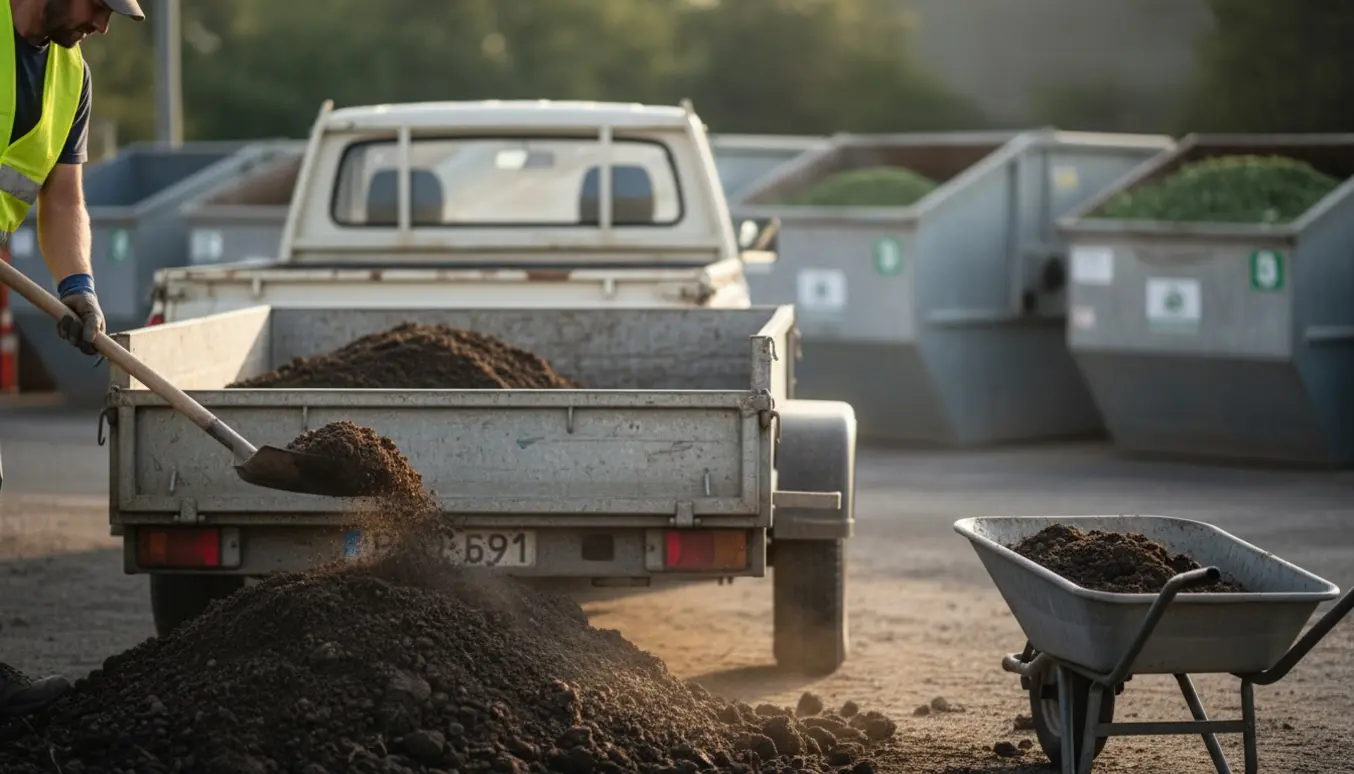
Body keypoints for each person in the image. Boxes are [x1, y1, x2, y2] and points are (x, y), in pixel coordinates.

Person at [0, 0, 144, 718]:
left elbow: (63, 200)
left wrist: (79, 287)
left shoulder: (71, 79)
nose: (104, 22)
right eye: (99, 3)